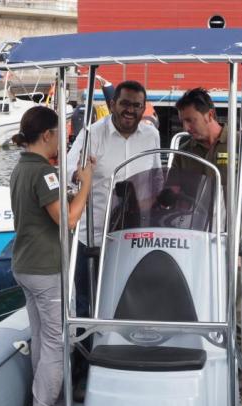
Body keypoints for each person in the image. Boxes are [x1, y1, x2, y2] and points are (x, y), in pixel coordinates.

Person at [168, 87, 242, 395]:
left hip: (236, 243)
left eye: (191, 120)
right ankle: (204, 375)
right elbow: (173, 197)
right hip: (198, 244)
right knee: (197, 307)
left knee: (240, 315)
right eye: (183, 122)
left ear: (209, 115)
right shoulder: (185, 152)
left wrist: (241, 242)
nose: (186, 127)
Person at [9, 106, 93, 406]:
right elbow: (68, 220)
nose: (62, 140)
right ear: (47, 135)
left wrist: (70, 189)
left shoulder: (21, 168)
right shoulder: (44, 173)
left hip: (25, 266)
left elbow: (44, 208)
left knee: (44, 339)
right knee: (57, 343)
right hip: (46, 269)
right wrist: (86, 186)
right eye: (59, 134)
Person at [67, 80, 162, 318]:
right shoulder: (92, 134)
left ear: (144, 108)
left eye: (137, 105)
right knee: (87, 305)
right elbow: (68, 173)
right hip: (95, 238)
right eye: (125, 104)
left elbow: (157, 178)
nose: (130, 110)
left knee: (133, 304)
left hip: (136, 239)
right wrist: (79, 174)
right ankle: (88, 342)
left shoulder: (152, 135)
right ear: (112, 104)